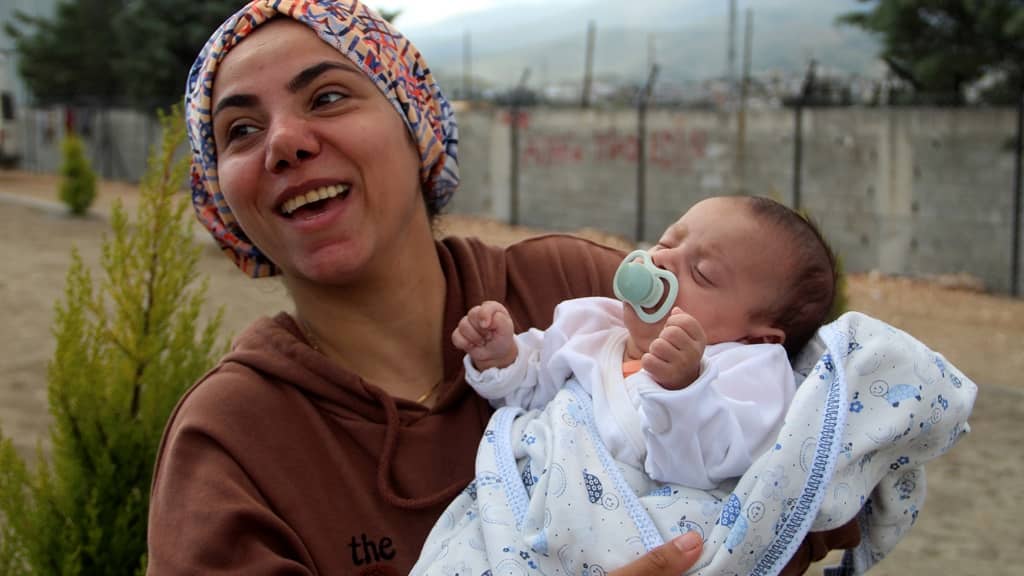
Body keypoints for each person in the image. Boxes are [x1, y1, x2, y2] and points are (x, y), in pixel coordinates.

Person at [146, 1, 860, 574]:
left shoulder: (575, 289)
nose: (285, 143)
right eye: (240, 129)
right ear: (223, 199)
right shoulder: (229, 443)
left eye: (328, 97)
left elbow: (818, 466)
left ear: (415, 126)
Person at [453, 195, 835, 491]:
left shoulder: (748, 370)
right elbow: (531, 390)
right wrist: (503, 358)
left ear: (758, 337)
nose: (664, 260)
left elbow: (717, 465)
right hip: (523, 507)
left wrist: (685, 390)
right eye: (667, 241)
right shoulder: (592, 323)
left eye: (701, 273)